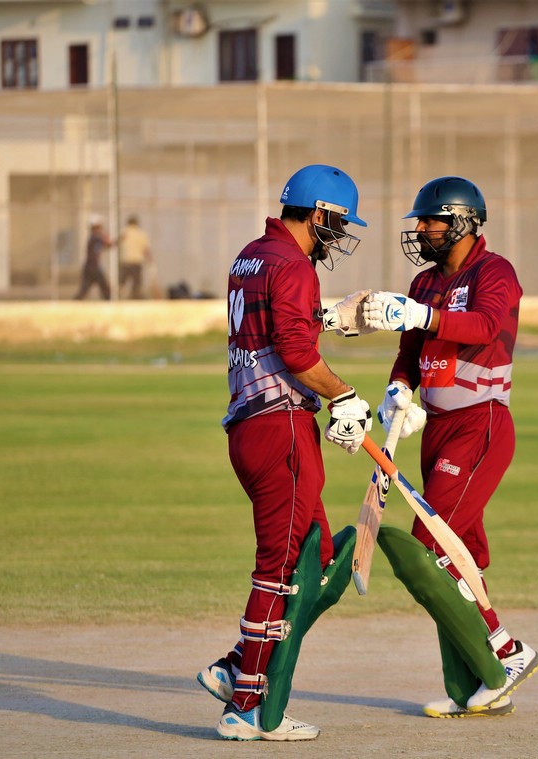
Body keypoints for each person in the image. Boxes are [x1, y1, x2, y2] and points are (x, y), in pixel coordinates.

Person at [196, 164, 372, 742]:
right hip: (282, 427)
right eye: (338, 223)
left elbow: (279, 327)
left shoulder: (252, 255)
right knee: (279, 567)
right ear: (318, 214)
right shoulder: (294, 265)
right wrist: (344, 395)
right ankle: (247, 706)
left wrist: (329, 317)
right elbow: (295, 352)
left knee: (315, 558)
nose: (338, 236)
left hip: (249, 426)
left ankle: (236, 665)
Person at [357, 176, 538, 718]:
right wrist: (398, 389)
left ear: (462, 221)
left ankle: (506, 651)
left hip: (479, 423)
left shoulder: (494, 271)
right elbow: (409, 351)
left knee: (431, 545)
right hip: (436, 427)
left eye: (431, 220)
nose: (420, 229)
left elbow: (483, 326)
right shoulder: (423, 281)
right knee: (462, 554)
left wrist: (424, 316)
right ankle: (475, 685)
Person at [73, 215, 112, 300]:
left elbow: (107, 245)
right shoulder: (96, 237)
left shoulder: (95, 237)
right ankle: (109, 301)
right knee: (104, 288)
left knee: (85, 289)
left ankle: (75, 301)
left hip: (90, 266)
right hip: (93, 267)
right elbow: (107, 243)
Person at [117, 214, 151, 299]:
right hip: (137, 262)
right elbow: (145, 249)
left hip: (126, 261)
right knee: (136, 283)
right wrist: (149, 259)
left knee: (122, 282)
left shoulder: (125, 232)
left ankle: (118, 297)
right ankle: (135, 298)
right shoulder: (141, 234)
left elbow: (117, 242)